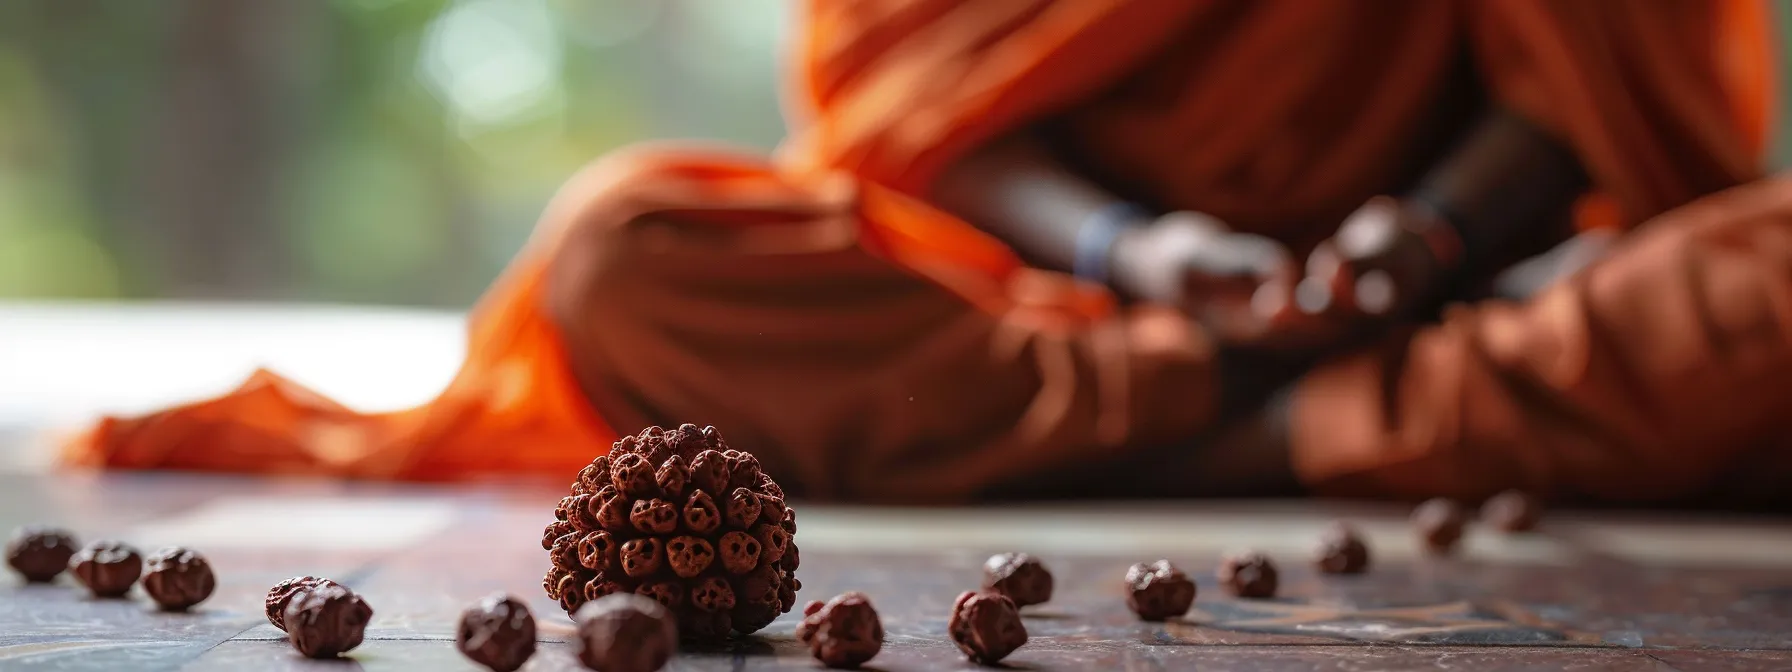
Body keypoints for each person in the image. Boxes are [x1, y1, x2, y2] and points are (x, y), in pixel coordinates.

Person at [70, 0, 1789, 506]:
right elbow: (929, 104)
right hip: (1061, 304)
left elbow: (1589, 72)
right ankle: (1264, 419)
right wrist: (1148, 248)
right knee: (631, 246)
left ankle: (1199, 428)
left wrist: (1419, 236)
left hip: (1449, 287)